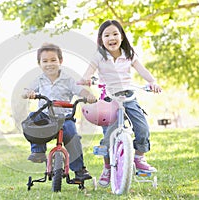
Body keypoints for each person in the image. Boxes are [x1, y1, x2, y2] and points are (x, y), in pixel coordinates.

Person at [79, 20, 162, 187]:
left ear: (122, 36)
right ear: (101, 39)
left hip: (129, 96)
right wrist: (86, 79)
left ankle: (139, 158)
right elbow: (88, 72)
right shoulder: (99, 56)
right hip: (109, 98)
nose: (112, 38)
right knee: (109, 134)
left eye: (115, 34)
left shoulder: (129, 54)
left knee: (142, 127)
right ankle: (107, 168)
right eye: (107, 35)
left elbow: (142, 69)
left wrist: (152, 81)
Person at [22, 43, 97, 180]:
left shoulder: (68, 79)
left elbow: (80, 91)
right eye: (45, 61)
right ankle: (38, 151)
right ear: (39, 63)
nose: (49, 64)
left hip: (65, 118)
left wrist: (89, 96)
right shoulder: (39, 79)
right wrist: (29, 93)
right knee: (32, 119)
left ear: (60, 61)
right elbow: (25, 90)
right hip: (46, 116)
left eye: (53, 60)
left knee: (73, 137)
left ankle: (80, 170)